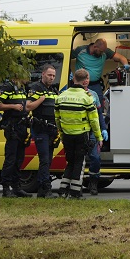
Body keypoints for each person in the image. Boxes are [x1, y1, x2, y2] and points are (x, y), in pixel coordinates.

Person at [54, 68, 102, 199]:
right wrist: (99, 137)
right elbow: (94, 120)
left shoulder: (61, 96)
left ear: (74, 79)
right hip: (82, 134)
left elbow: (57, 118)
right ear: (86, 79)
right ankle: (75, 192)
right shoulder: (87, 98)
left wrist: (62, 134)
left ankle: (63, 190)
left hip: (67, 134)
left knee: (70, 161)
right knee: (79, 163)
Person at [0, 72, 30, 198]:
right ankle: (5, 188)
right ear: (18, 76)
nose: (29, 79)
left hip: (22, 127)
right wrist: (13, 106)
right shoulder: (8, 87)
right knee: (10, 159)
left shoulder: (22, 89)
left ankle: (17, 187)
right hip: (12, 127)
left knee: (19, 159)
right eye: (27, 76)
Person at [26, 63, 60, 198]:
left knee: (48, 160)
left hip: (52, 130)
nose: (52, 78)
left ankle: (42, 189)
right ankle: (46, 188)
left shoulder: (53, 90)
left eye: (53, 76)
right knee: (44, 159)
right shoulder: (36, 88)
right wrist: (41, 99)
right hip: (41, 129)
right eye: (49, 75)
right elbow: (28, 107)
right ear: (43, 74)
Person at [77, 73, 109, 196]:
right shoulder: (73, 93)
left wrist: (103, 129)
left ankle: (93, 183)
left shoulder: (94, 94)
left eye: (87, 79)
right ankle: (77, 185)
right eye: (83, 79)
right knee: (79, 159)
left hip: (93, 132)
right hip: (79, 131)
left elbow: (99, 114)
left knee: (95, 158)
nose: (85, 81)